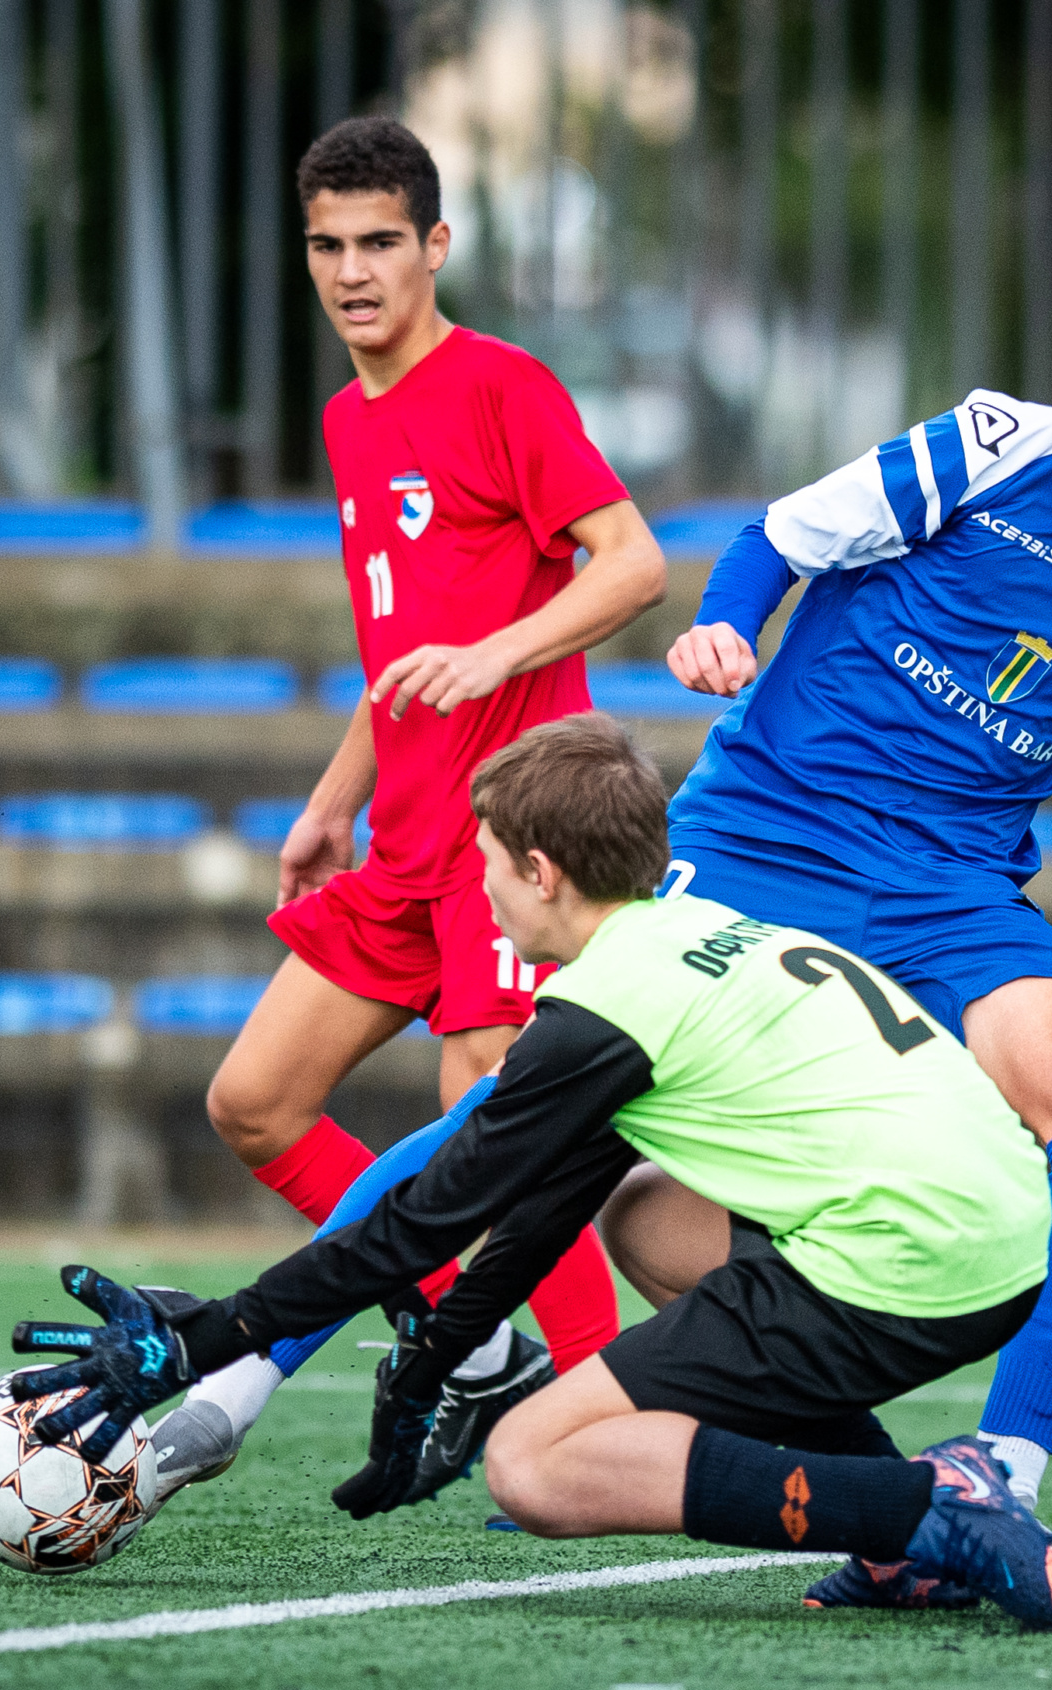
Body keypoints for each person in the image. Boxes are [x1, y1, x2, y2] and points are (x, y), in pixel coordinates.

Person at [8, 715, 1052, 1631]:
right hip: (1002, 1235)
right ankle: (904, 1553)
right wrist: (434, 1362)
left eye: (486, 865)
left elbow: (413, 1229)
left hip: (907, 1260)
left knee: (537, 1466)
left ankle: (930, 1508)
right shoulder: (690, 931)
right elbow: (550, 1204)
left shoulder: (601, 1012)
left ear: (542, 873)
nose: (478, 893)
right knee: (638, 1214)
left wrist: (196, 1342)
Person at [629, 261, 1052, 1546]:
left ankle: (1001, 1472)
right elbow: (779, 538)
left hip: (945, 885)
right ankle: (238, 1359)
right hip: (764, 829)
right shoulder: (988, 446)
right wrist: (724, 627)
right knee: (632, 1205)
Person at [154, 117, 666, 1497]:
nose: (353, 269)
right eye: (328, 244)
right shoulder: (346, 418)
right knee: (253, 1099)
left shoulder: (503, 387)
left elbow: (633, 564)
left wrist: (503, 655)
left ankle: (581, 1413)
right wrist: (335, 798)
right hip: (402, 838)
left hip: (517, 842)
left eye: (381, 240)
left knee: (501, 1117)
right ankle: (481, 1342)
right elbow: (400, 653)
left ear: (435, 245)